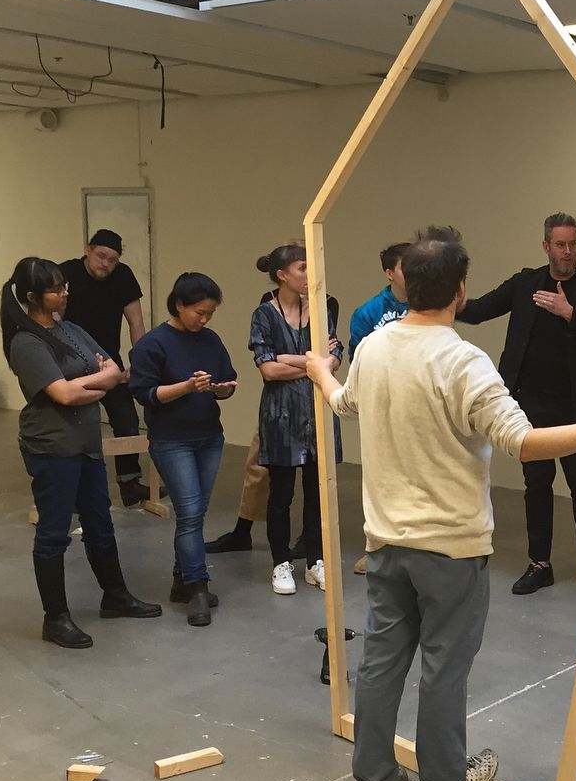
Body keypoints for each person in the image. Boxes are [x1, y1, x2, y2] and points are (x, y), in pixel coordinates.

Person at [305, 226, 576, 781]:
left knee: (381, 661)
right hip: (451, 548)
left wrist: (320, 370)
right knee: (443, 667)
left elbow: (345, 404)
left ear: (405, 285)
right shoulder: (465, 362)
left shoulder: (375, 347)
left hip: (386, 540)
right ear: (460, 291)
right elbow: (524, 442)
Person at [1, 257, 162, 648]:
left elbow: (116, 371)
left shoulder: (71, 329)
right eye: (56, 289)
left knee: (100, 524)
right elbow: (64, 394)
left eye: (64, 287)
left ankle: (115, 595)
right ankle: (55, 618)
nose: (64, 294)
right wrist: (95, 381)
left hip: (88, 443)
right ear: (32, 296)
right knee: (55, 533)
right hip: (52, 447)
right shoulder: (26, 342)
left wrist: (91, 383)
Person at [457, 212, 576, 598]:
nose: (568, 251)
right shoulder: (525, 283)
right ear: (546, 246)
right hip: (529, 408)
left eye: (573, 243)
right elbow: (479, 311)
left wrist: (569, 313)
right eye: (560, 244)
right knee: (537, 485)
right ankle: (539, 564)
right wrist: (452, 299)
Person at [129, 273, 237, 627]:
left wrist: (220, 389)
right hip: (171, 440)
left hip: (209, 436)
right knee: (189, 514)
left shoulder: (210, 340)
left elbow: (228, 382)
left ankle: (181, 581)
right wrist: (187, 387)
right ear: (179, 305)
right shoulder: (152, 344)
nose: (204, 319)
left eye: (209, 313)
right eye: (199, 312)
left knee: (196, 513)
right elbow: (146, 394)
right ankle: (198, 586)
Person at [249, 243, 343, 595]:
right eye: (303, 268)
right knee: (281, 494)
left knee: (319, 492)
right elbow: (268, 369)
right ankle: (280, 562)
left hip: (318, 413)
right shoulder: (264, 314)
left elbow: (335, 356)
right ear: (282, 274)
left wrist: (297, 360)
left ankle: (316, 561)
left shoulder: (321, 307)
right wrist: (312, 364)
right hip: (281, 416)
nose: (309, 275)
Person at [60, 230, 153, 507]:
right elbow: (55, 320)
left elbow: (136, 323)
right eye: (101, 256)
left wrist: (140, 362)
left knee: (126, 419)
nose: (106, 265)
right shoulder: (67, 273)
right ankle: (73, 490)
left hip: (110, 363)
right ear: (88, 250)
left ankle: (130, 483)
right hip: (72, 364)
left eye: (112, 260)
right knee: (72, 425)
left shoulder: (123, 277)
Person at [346, 241, 410, 574]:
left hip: (417, 406)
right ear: (389, 273)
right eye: (405, 266)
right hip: (381, 406)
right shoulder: (368, 313)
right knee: (381, 481)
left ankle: (413, 550)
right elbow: (358, 362)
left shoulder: (426, 306)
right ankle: (378, 549)